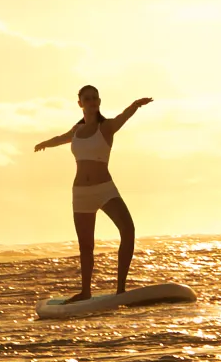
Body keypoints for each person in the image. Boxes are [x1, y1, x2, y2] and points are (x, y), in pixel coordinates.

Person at [34, 86, 152, 302]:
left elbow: (122, 117)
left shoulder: (106, 127)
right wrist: (44, 144)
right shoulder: (77, 131)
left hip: (105, 188)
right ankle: (86, 291)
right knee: (86, 246)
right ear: (80, 103)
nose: (91, 101)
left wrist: (135, 105)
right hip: (81, 193)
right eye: (86, 99)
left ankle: (121, 289)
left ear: (99, 101)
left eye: (94, 98)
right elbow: (61, 138)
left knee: (128, 229)